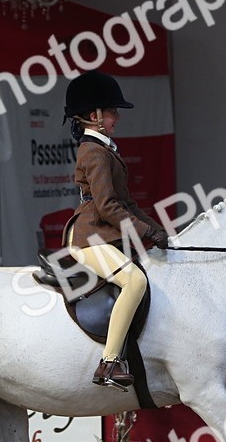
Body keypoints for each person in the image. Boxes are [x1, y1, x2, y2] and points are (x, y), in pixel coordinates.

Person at [62, 70, 168, 389]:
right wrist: (144, 233)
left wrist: (157, 230)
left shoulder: (106, 149)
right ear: (94, 116)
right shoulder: (93, 151)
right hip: (88, 237)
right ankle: (109, 363)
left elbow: (128, 203)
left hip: (102, 233)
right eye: (112, 112)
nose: (117, 118)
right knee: (133, 281)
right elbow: (108, 206)